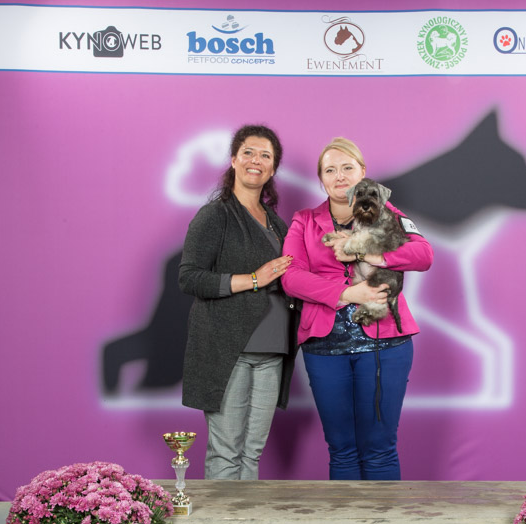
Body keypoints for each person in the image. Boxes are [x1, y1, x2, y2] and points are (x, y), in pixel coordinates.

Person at [282, 137, 433, 480]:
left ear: (362, 172)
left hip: (386, 342)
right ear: (321, 179)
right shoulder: (304, 221)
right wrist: (350, 293)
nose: (339, 176)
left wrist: (368, 254)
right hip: (324, 345)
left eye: (347, 168)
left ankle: (384, 519)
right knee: (342, 449)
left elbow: (424, 255)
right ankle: (345, 519)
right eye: (330, 170)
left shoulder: (387, 211)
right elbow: (291, 277)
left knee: (380, 448)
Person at [179, 124, 298, 480]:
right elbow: (190, 277)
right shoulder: (215, 215)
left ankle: (247, 519)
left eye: (265, 156)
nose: (255, 161)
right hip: (228, 350)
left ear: (273, 169)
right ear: (233, 160)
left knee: (251, 453)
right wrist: (254, 279)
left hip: (273, 353)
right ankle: (220, 519)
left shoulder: (278, 224)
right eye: (248, 152)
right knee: (226, 452)